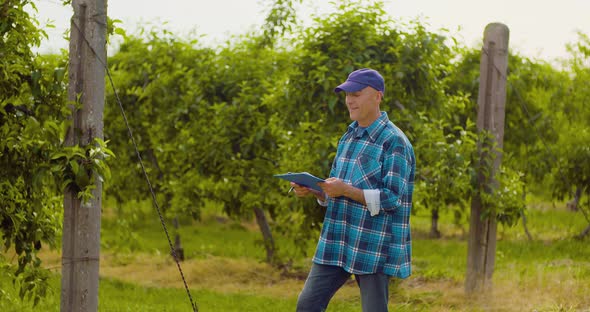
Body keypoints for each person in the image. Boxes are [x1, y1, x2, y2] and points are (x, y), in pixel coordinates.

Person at [292, 68, 416, 312]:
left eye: (357, 93)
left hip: (372, 244)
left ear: (377, 96)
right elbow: (335, 190)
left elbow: (392, 199)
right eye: (347, 94)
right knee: (307, 306)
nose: (349, 100)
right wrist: (316, 190)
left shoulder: (395, 142)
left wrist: (346, 190)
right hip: (337, 238)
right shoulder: (348, 136)